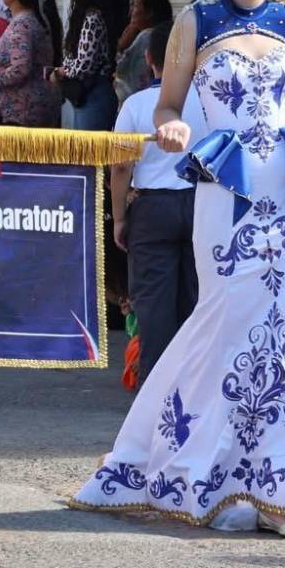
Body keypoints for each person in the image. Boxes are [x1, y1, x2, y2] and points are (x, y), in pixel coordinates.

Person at [69, 0, 285, 538]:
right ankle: (212, 479)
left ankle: (284, 491)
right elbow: (166, 105)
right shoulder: (197, 19)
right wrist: (173, 128)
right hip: (225, 192)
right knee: (224, 327)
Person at [110, 20, 205, 383]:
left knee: (153, 304)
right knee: (200, 300)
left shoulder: (135, 104)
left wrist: (120, 217)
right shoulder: (211, 104)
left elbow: (121, 167)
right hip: (203, 204)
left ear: (149, 59)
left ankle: (156, 387)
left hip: (152, 209)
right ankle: (197, 385)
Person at [52, 0, 122, 129]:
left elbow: (84, 64)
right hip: (87, 93)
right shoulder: (83, 17)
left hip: (95, 93)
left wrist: (62, 71)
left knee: (89, 144)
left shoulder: (92, 18)